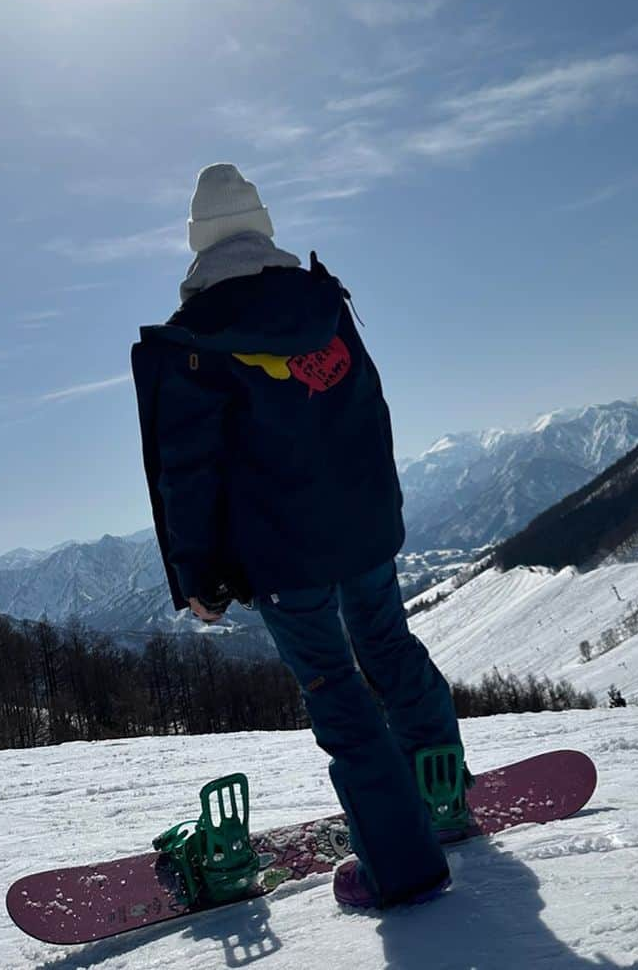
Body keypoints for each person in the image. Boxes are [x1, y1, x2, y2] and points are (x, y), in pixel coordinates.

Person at [131, 162, 466, 910]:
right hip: (364, 526)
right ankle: (441, 793)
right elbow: (367, 408)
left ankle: (404, 865)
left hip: (286, 551)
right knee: (389, 647)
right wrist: (381, 510)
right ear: (263, 228)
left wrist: (198, 575)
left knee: (336, 689)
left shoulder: (197, 342)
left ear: (197, 247)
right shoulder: (324, 303)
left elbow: (191, 472)